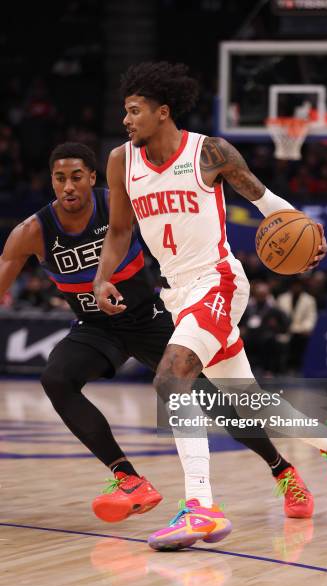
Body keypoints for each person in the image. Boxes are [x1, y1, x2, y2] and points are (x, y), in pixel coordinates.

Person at [93, 62, 327, 551]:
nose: (126, 120)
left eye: (134, 111)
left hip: (217, 280)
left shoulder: (209, 151)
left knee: (172, 377)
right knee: (251, 402)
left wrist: (306, 227)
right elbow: (118, 231)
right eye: (124, 112)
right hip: (176, 292)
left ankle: (201, 507)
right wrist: (101, 277)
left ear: (163, 111)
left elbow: (263, 199)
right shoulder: (120, 162)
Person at [0, 142, 311, 525]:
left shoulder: (118, 202)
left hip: (150, 317)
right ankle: (127, 477)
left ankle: (282, 470)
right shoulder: (32, 232)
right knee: (56, 379)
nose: (68, 187)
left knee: (216, 403)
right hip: (97, 327)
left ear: (92, 178)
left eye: (76, 177)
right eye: (60, 178)